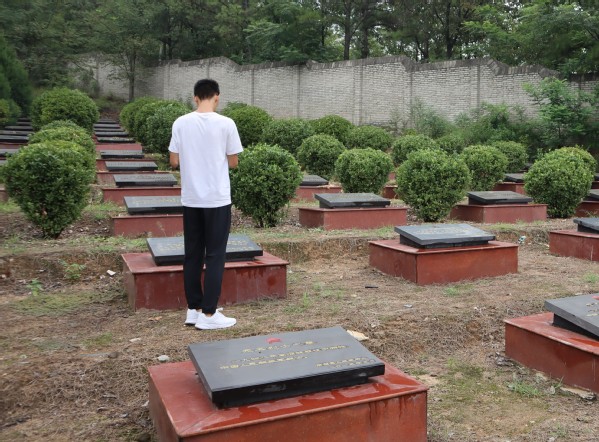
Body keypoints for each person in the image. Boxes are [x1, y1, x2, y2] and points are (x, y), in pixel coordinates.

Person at [169, 79, 243, 330]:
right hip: (216, 198)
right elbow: (233, 163)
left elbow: (174, 161)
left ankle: (194, 309)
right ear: (217, 97)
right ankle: (209, 314)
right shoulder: (226, 123)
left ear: (195, 97)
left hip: (191, 198)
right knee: (215, 255)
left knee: (192, 254)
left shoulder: (180, 122)